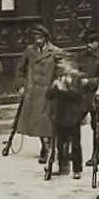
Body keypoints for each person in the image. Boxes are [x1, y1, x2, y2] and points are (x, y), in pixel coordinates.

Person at [15, 25, 61, 165]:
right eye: (35, 38)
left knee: (47, 121)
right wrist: (21, 86)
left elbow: (62, 71)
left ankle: (48, 148)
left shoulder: (56, 52)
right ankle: (45, 146)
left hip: (48, 92)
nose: (37, 40)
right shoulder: (30, 51)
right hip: (33, 91)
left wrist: (58, 85)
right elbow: (20, 68)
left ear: (46, 38)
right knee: (38, 122)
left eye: (40, 38)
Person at [44, 58, 90, 181]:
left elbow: (78, 96)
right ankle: (63, 167)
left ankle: (77, 169)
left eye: (61, 66)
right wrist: (54, 87)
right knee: (60, 144)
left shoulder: (78, 78)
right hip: (60, 115)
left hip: (73, 116)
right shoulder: (57, 79)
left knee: (75, 144)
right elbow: (49, 95)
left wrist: (62, 89)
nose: (59, 69)